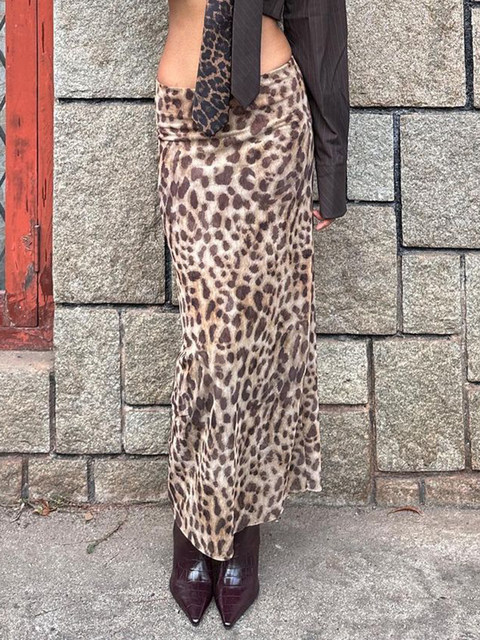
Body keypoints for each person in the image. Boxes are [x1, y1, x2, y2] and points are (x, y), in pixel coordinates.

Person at [155, 0, 350, 628]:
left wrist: (330, 165)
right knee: (209, 330)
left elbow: (319, 18)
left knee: (258, 333)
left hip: (270, 120)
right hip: (185, 119)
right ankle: (197, 522)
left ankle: (240, 529)